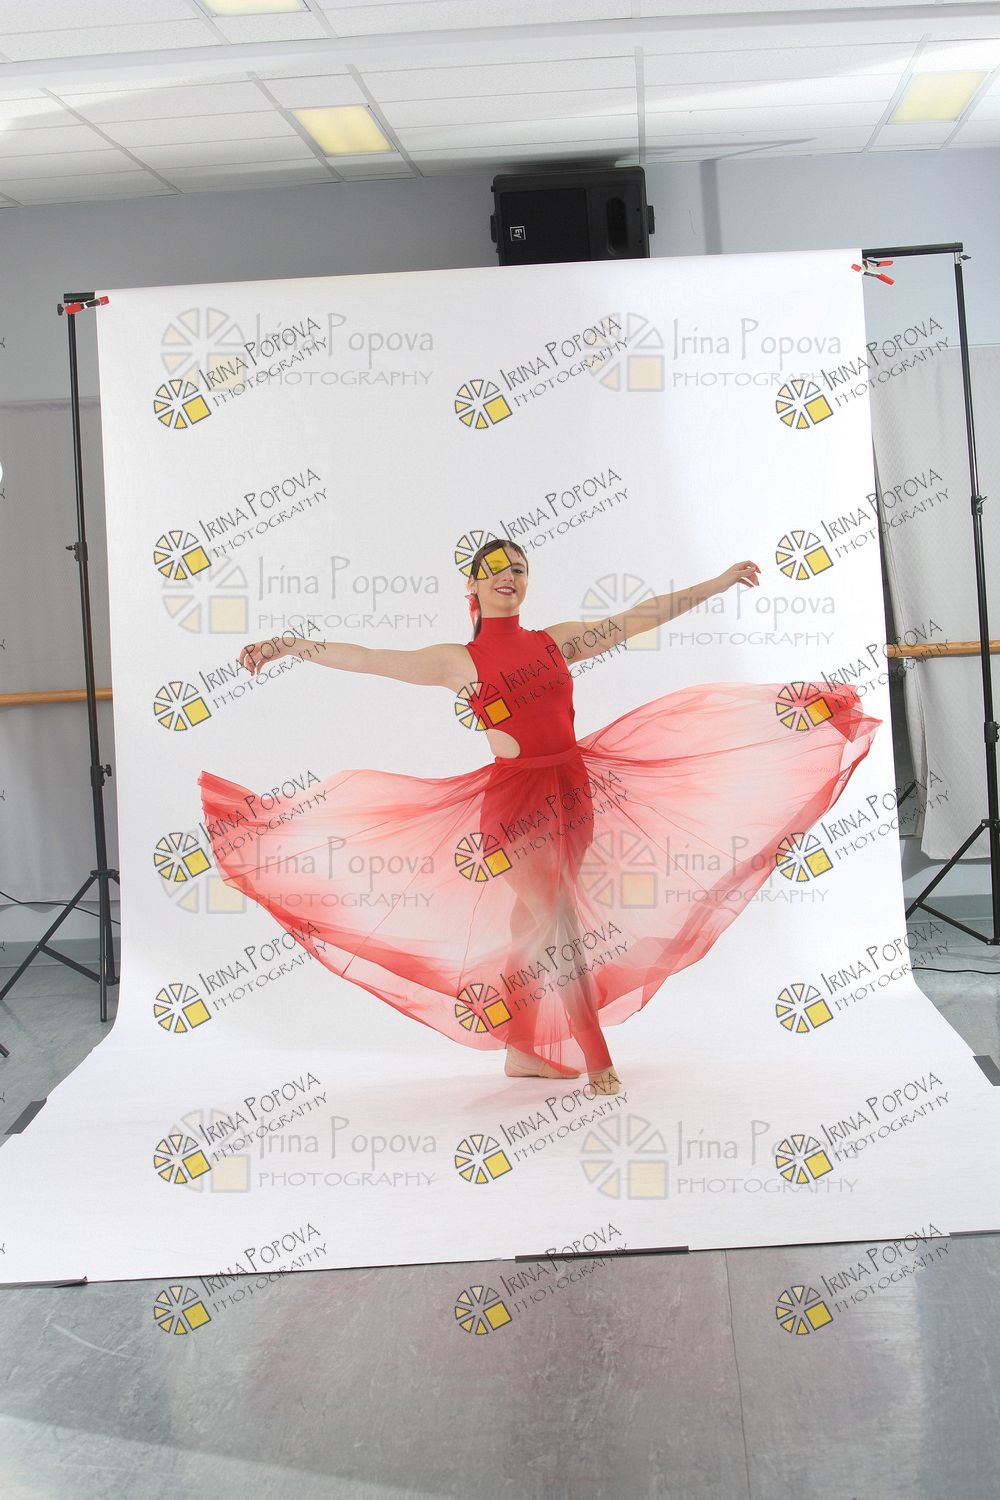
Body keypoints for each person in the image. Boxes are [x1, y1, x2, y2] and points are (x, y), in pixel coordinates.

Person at [200, 538, 879, 1096]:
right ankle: (597, 1054)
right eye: (495, 569)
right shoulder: (458, 661)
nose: (509, 576)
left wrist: (720, 581)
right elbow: (368, 659)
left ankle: (524, 1052)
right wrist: (287, 644)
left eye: (519, 568)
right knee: (558, 924)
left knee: (532, 927)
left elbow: (641, 617)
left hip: (574, 792)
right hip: (515, 810)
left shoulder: (554, 643)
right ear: (473, 585)